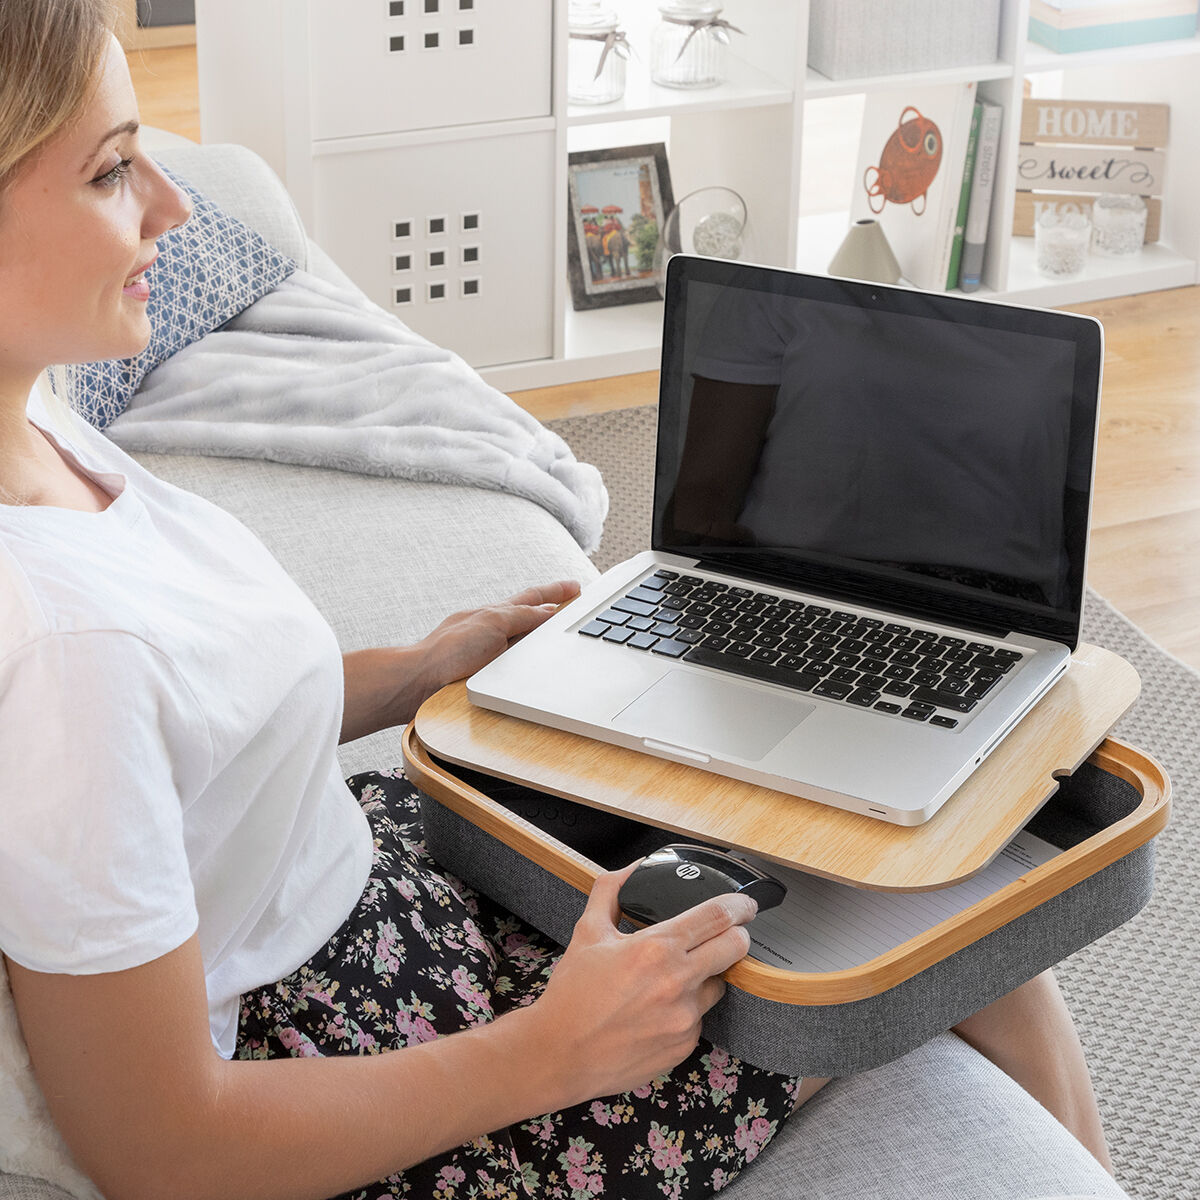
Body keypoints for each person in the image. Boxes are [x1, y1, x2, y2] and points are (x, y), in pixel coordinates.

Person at [0, 3, 1113, 1198]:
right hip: (377, 1079)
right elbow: (167, 1150)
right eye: (114, 170)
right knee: (956, 931)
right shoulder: (63, 652)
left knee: (893, 865)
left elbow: (189, 737)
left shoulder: (39, 420)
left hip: (371, 888)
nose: (171, 205)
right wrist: (556, 1049)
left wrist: (423, 665)